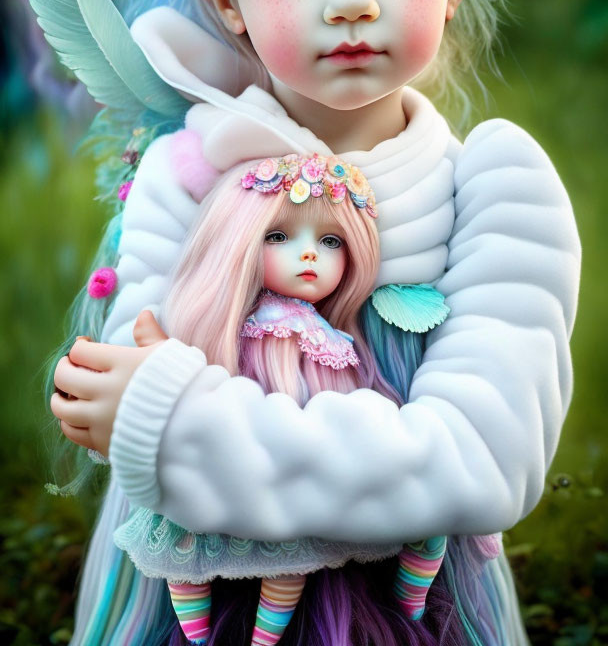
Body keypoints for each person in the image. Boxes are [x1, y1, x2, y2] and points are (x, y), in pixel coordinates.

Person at [42, 0, 581, 643]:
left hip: (411, 612)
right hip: (197, 606)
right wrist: (124, 407)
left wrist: (179, 427)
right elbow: (125, 386)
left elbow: (479, 459)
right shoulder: (191, 173)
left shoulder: (495, 187)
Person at [114, 154, 455, 644]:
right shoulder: (250, 326)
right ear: (242, 243)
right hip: (244, 451)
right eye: (279, 236)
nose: (309, 254)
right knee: (191, 545)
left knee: (301, 556)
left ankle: (403, 606)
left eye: (330, 240)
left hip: (313, 458)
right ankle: (198, 636)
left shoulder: (337, 338)